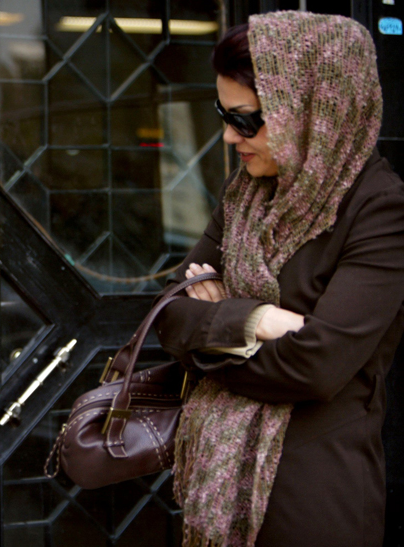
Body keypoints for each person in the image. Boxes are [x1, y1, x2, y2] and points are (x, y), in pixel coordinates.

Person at [155, 11, 404, 547]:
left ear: (313, 110)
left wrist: (212, 332)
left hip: (311, 501)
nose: (228, 136)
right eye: (223, 115)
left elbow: (317, 366)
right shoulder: (245, 194)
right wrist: (255, 319)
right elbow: (171, 315)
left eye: (246, 120)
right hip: (217, 488)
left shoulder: (380, 209)